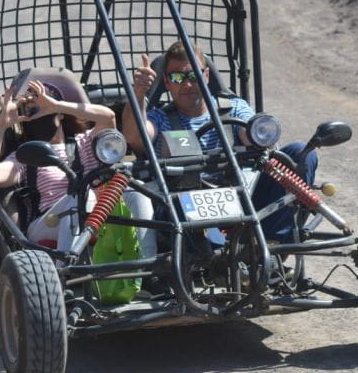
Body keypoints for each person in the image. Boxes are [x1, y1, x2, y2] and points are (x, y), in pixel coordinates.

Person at [123, 40, 318, 243]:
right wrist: (138, 93)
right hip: (182, 208)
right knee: (170, 203)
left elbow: (254, 136)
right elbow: (134, 137)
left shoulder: (232, 108)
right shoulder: (159, 118)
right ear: (166, 81)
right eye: (177, 78)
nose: (187, 84)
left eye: (194, 75)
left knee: (300, 152)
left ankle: (272, 246)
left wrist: (257, 136)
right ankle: (209, 256)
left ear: (206, 75)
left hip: (242, 197)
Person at [0, 76, 155, 259]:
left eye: (41, 102)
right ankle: (68, 268)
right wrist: (1, 126)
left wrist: (57, 105)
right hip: (48, 223)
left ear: (60, 112)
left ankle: (148, 262)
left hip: (98, 216)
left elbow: (107, 117)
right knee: (80, 198)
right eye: (30, 108)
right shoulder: (26, 155)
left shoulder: (85, 142)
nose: (37, 110)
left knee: (137, 191)